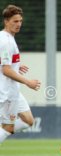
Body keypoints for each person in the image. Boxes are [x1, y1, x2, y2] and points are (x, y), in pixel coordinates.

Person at [0, 5, 41, 144]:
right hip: (6, 92)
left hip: (13, 91)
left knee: (29, 121)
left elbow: (6, 64)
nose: (19, 24)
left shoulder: (8, 38)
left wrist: (16, 66)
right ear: (6, 21)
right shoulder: (5, 41)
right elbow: (5, 70)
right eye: (15, 21)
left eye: (20, 21)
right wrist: (28, 82)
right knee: (8, 128)